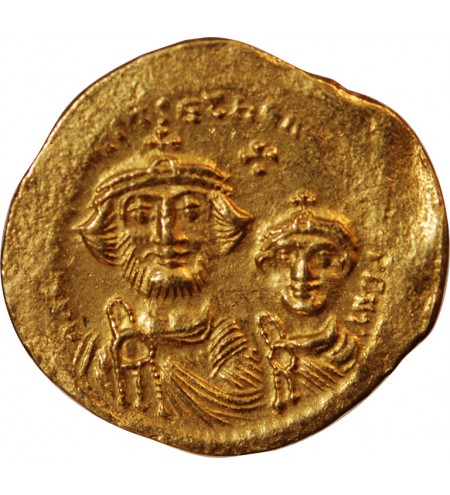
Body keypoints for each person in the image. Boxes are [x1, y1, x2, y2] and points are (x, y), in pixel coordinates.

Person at [74, 152, 264, 424]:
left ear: (219, 226)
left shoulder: (232, 347)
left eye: (190, 213)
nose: (167, 236)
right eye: (142, 216)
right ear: (112, 234)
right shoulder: (95, 353)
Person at [255, 192, 359, 412]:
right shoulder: (256, 340)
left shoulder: (347, 346)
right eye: (286, 257)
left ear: (344, 265)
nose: (301, 274)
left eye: (322, 258)